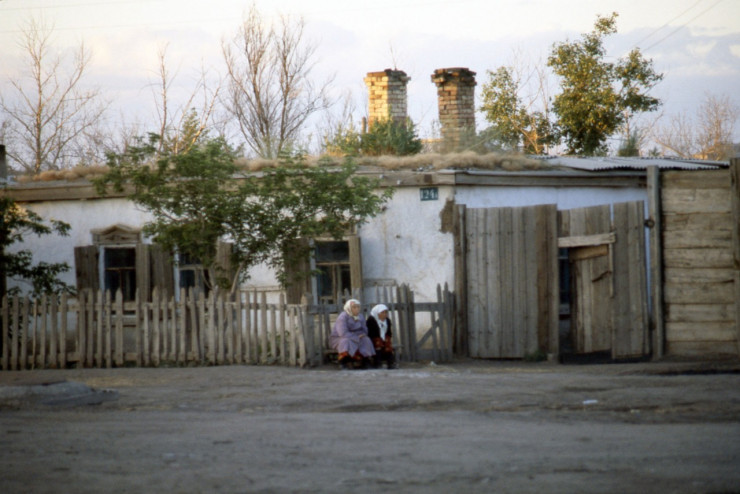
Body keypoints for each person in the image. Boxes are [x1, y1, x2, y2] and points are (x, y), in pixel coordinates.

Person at [329, 299, 375, 370]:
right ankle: (344, 361)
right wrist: (355, 336)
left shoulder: (360, 316)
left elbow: (365, 329)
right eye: (354, 307)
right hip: (340, 338)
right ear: (349, 308)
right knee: (346, 341)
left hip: (358, 336)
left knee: (366, 340)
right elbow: (342, 332)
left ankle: (365, 360)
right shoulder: (343, 317)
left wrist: (362, 334)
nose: (357, 309)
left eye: (358, 307)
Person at [367, 304, 397, 369]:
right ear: (377, 313)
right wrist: (381, 338)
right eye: (382, 313)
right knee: (378, 343)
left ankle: (391, 363)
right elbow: (371, 333)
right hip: (373, 339)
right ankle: (377, 363)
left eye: (386, 312)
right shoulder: (371, 320)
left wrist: (386, 338)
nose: (384, 314)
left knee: (387, 343)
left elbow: (389, 333)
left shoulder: (387, 321)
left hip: (383, 339)